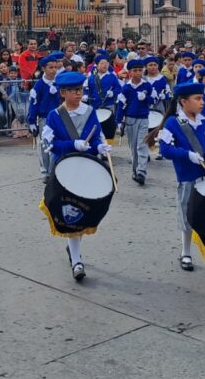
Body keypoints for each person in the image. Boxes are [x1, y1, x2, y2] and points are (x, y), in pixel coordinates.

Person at [39, 69, 110, 282]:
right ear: (63, 93)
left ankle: (75, 252)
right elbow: (49, 144)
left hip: (85, 167)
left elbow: (96, 136)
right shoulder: (54, 116)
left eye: (80, 90)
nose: (78, 94)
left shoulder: (89, 112)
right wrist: (72, 144)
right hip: (64, 170)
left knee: (82, 211)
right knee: (70, 213)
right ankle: (77, 259)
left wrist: (101, 148)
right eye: (73, 91)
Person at [158, 80, 205, 279]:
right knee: (188, 216)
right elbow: (165, 149)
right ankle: (186, 252)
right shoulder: (173, 123)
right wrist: (186, 155)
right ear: (183, 101)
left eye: (202, 98)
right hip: (188, 177)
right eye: (198, 99)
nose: (202, 102)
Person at [115, 58, 153, 186]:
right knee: (133, 147)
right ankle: (135, 170)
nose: (137, 73)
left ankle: (141, 171)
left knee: (142, 145)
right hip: (130, 119)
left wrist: (146, 98)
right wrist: (119, 121)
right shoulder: (126, 88)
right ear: (130, 72)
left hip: (143, 118)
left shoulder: (147, 85)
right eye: (134, 70)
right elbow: (121, 104)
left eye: (139, 70)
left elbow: (154, 100)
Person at [28, 52, 63, 177]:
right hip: (45, 118)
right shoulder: (39, 86)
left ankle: (55, 169)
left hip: (59, 117)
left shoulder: (59, 82)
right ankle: (45, 170)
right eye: (51, 67)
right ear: (44, 68)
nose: (54, 70)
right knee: (45, 144)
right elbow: (34, 104)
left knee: (58, 143)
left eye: (55, 67)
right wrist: (32, 121)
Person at [83, 53, 121, 144]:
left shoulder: (112, 76)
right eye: (102, 63)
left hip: (108, 105)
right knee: (96, 127)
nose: (105, 65)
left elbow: (118, 88)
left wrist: (113, 93)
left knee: (109, 127)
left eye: (107, 63)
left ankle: (108, 147)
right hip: (95, 106)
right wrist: (85, 95)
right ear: (97, 65)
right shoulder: (91, 78)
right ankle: (97, 145)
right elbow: (86, 88)